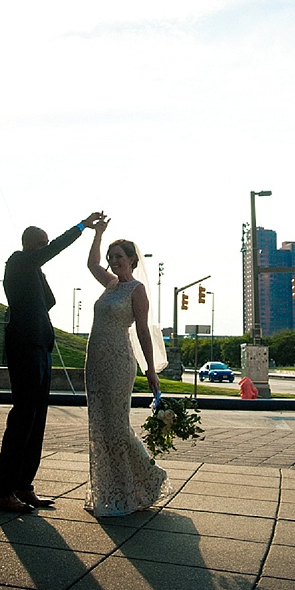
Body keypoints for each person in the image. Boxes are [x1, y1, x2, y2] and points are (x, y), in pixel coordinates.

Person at [0, 213, 103, 514]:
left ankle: (24, 486)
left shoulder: (33, 270)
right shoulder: (17, 262)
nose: (46, 248)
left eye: (46, 244)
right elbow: (50, 253)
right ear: (29, 245)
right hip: (24, 346)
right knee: (23, 416)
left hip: (42, 347)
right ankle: (2, 491)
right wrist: (82, 226)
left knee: (37, 418)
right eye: (41, 244)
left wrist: (37, 276)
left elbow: (49, 300)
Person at [84, 217, 172, 517]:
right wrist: (98, 234)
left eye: (119, 257)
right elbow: (91, 263)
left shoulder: (136, 290)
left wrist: (150, 369)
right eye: (112, 258)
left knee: (117, 426)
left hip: (119, 361)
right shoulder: (109, 285)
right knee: (100, 426)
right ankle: (109, 490)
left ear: (132, 260)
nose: (113, 261)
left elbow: (144, 331)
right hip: (95, 361)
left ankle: (145, 481)